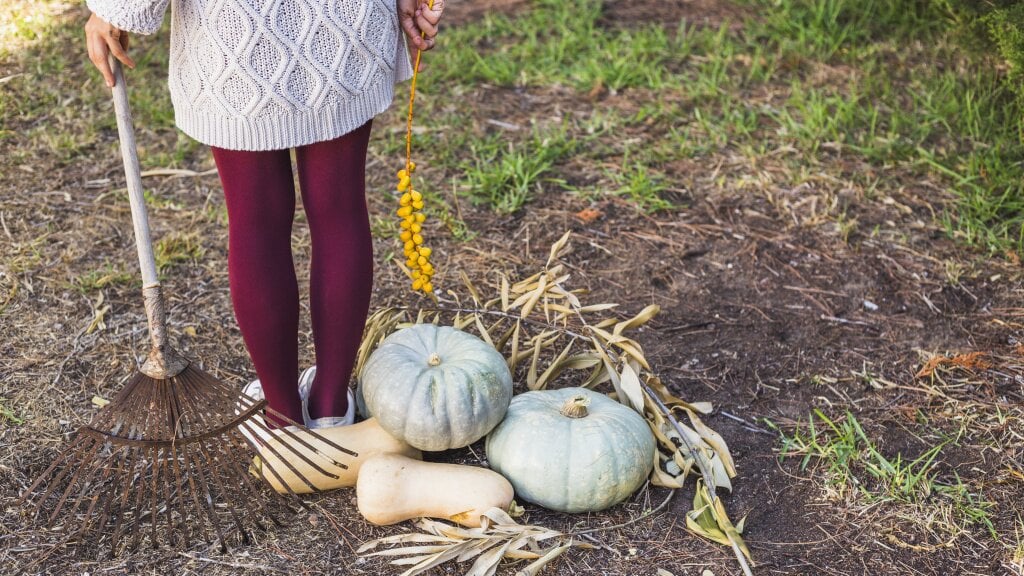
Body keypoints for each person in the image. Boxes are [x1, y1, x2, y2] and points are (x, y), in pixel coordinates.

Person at [83, 0, 445, 431]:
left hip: (238, 31)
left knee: (256, 223)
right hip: (344, 26)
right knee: (340, 210)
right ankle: (331, 406)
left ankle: (281, 413)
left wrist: (114, 9)